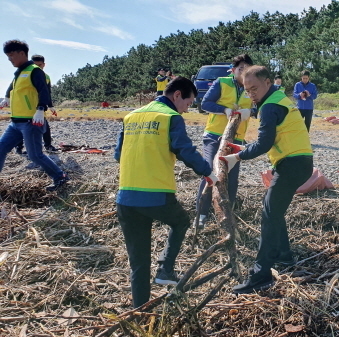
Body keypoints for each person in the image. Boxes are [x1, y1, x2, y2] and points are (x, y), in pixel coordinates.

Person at [114, 76, 217, 308]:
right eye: (188, 104)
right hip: (156, 195)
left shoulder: (131, 116)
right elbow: (185, 150)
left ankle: (139, 311)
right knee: (181, 222)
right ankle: (165, 269)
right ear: (177, 95)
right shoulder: (170, 117)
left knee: (138, 264)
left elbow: (118, 155)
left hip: (126, 198)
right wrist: (208, 172)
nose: (185, 110)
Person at [220, 65, 312, 294]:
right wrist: (242, 148)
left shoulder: (270, 106)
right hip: (296, 162)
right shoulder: (277, 99)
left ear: (268, 82)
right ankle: (284, 256)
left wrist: (237, 157)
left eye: (254, 88)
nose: (250, 94)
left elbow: (264, 144)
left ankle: (261, 275)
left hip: (293, 164)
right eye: (247, 90)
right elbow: (272, 139)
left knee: (269, 215)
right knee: (273, 210)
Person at [0, 40, 68, 191]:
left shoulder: (34, 71)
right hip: (15, 122)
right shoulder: (19, 72)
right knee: (1, 148)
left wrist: (41, 109)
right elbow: (12, 87)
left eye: (11, 55)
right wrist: (7, 97)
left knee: (35, 155)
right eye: (7, 56)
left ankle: (60, 176)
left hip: (31, 122)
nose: (9, 59)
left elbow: (44, 90)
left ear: (22, 53)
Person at [197, 54, 253, 227]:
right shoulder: (222, 82)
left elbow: (259, 107)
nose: (244, 72)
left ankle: (228, 214)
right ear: (234, 69)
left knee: (233, 177)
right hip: (214, 134)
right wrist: (224, 110)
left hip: (237, 138)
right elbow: (205, 103)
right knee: (211, 172)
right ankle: (201, 214)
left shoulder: (251, 87)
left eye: (247, 69)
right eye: (241, 68)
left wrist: (250, 112)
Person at [15, 54, 58, 154]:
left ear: (44, 65)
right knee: (21, 126)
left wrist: (50, 105)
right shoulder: (24, 73)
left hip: (39, 106)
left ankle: (48, 145)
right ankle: (19, 148)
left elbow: (47, 91)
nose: (37, 67)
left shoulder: (46, 77)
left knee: (45, 125)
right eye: (35, 65)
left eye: (40, 65)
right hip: (25, 106)